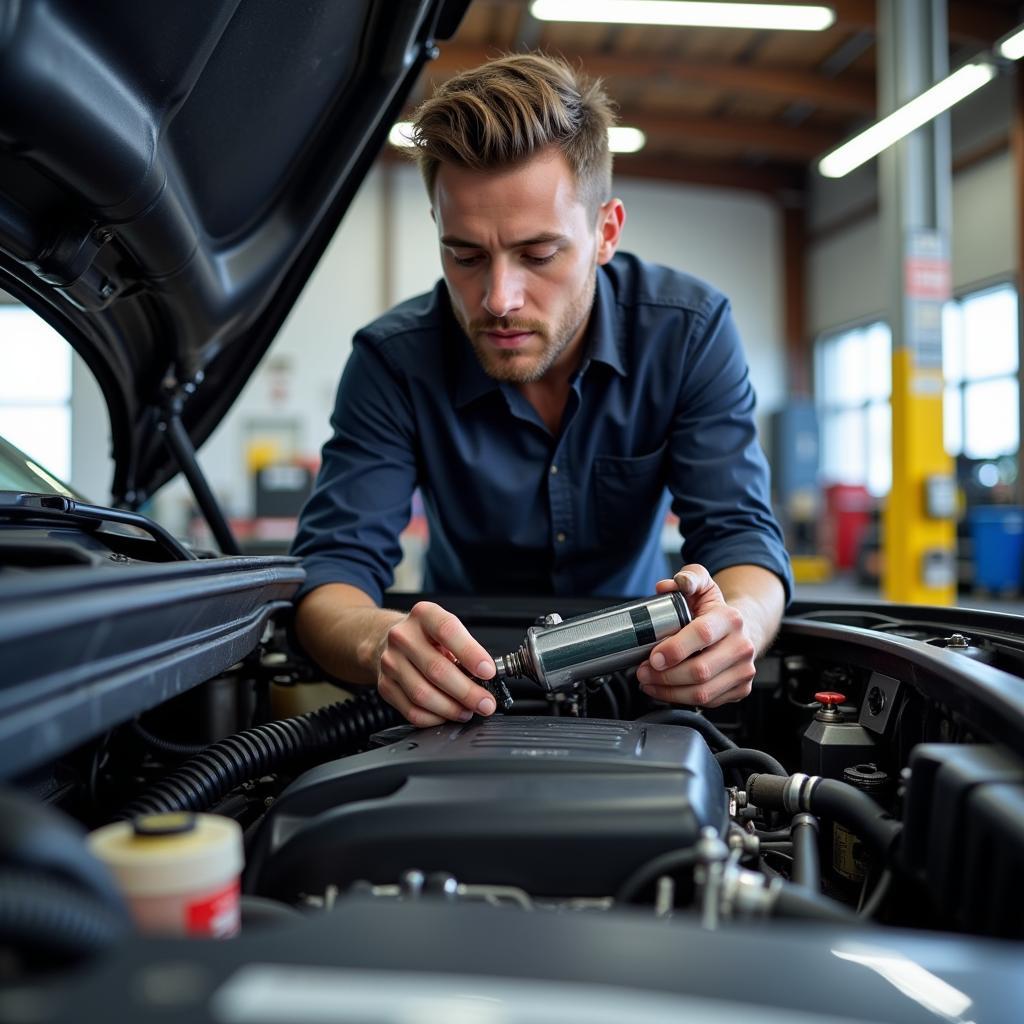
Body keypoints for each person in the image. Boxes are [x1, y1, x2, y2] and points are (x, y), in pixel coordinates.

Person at [291, 52, 792, 727]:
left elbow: (741, 538)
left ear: (605, 233)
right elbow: (331, 574)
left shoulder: (690, 335)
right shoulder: (392, 361)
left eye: (538, 255)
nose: (498, 300)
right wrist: (379, 639)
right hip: (456, 691)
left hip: (642, 680)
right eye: (465, 256)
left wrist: (738, 626)